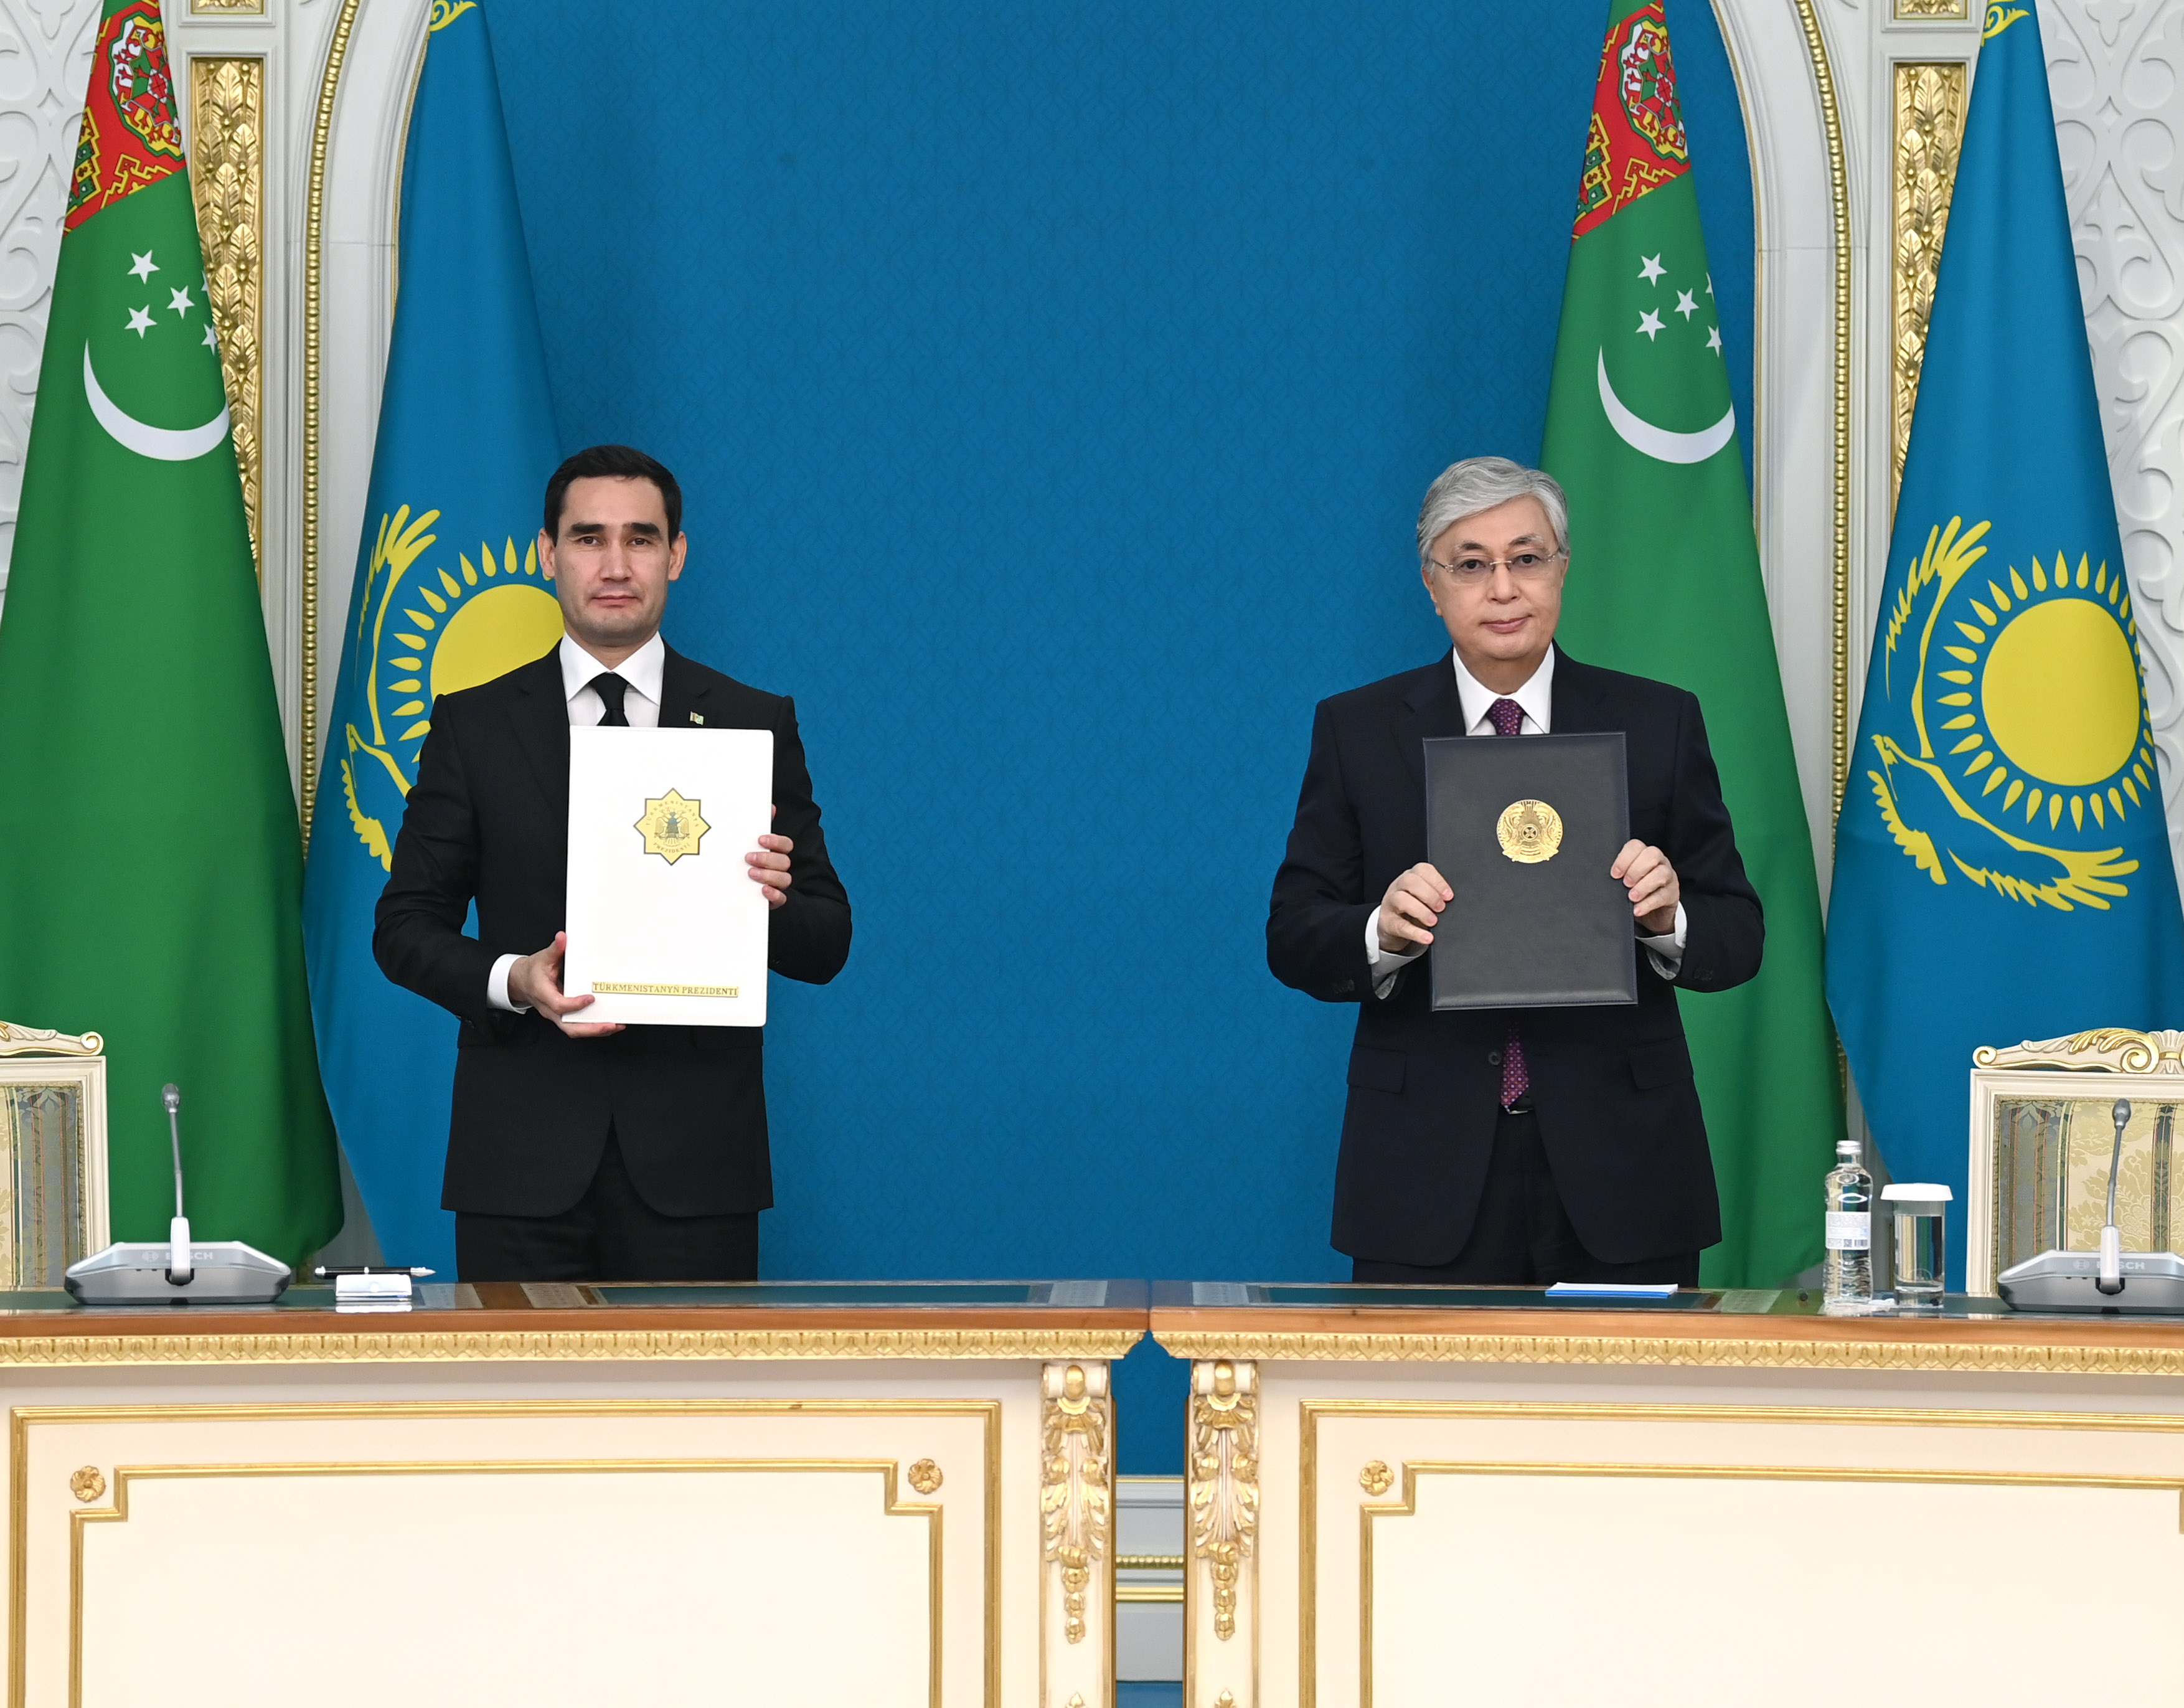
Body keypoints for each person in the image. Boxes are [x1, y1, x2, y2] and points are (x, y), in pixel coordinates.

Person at [1266, 456, 1761, 1285]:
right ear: (1432, 586)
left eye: (1526, 558)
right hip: (1424, 1168)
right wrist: (1380, 931)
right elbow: (1293, 934)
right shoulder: (1359, 731)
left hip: (1625, 1165)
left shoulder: (1658, 721)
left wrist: (1667, 918)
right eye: (1471, 564)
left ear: (1561, 570)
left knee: (1630, 1378)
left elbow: (1739, 934)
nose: (1503, 588)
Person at [374, 444, 851, 1281]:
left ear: (677, 555)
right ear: (548, 554)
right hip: (519, 1164)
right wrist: (517, 980)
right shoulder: (475, 726)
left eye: (641, 538)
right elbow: (404, 927)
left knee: (691, 1379)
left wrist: (771, 903)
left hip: (697, 1170)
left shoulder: (752, 721)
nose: (616, 565)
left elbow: (827, 942)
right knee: (516, 1377)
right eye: (589, 538)